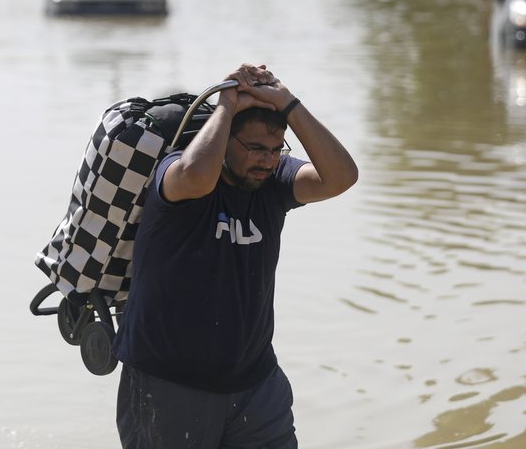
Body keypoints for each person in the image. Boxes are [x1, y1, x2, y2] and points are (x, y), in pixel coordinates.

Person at [112, 63, 359, 448]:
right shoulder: (176, 174)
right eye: (256, 149)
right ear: (225, 139)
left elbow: (341, 177)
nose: (267, 160)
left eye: (277, 150)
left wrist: (288, 102)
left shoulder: (273, 183)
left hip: (255, 387)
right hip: (168, 383)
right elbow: (196, 175)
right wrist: (226, 106)